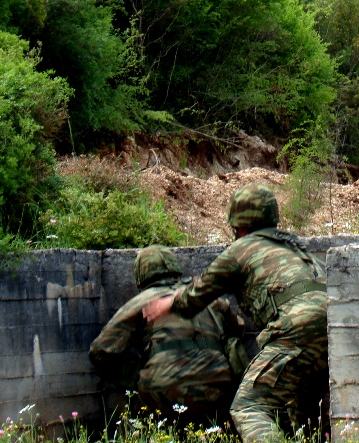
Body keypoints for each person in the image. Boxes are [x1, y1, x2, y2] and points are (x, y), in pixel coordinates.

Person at [142, 183, 328, 443]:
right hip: (335, 329)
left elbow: (198, 295)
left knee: (249, 407)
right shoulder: (296, 247)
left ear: (237, 225)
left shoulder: (240, 249)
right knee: (307, 412)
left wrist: (169, 303)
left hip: (296, 329)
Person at [89, 245, 245, 426]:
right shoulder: (206, 297)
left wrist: (137, 376)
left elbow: (100, 351)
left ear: (141, 278)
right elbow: (237, 329)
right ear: (176, 270)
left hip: (162, 390)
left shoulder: (141, 302)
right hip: (218, 387)